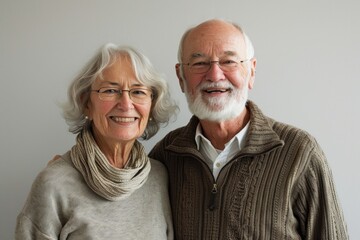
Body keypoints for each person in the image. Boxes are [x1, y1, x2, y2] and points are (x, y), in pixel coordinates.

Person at [149, 19, 349, 239]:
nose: (215, 75)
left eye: (229, 61)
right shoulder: (165, 155)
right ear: (180, 76)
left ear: (251, 71)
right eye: (199, 63)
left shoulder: (300, 152)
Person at [15, 44, 177, 239]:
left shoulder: (159, 177)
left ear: (151, 106)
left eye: (138, 92)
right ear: (86, 105)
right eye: (110, 90)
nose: (126, 104)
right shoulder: (54, 184)